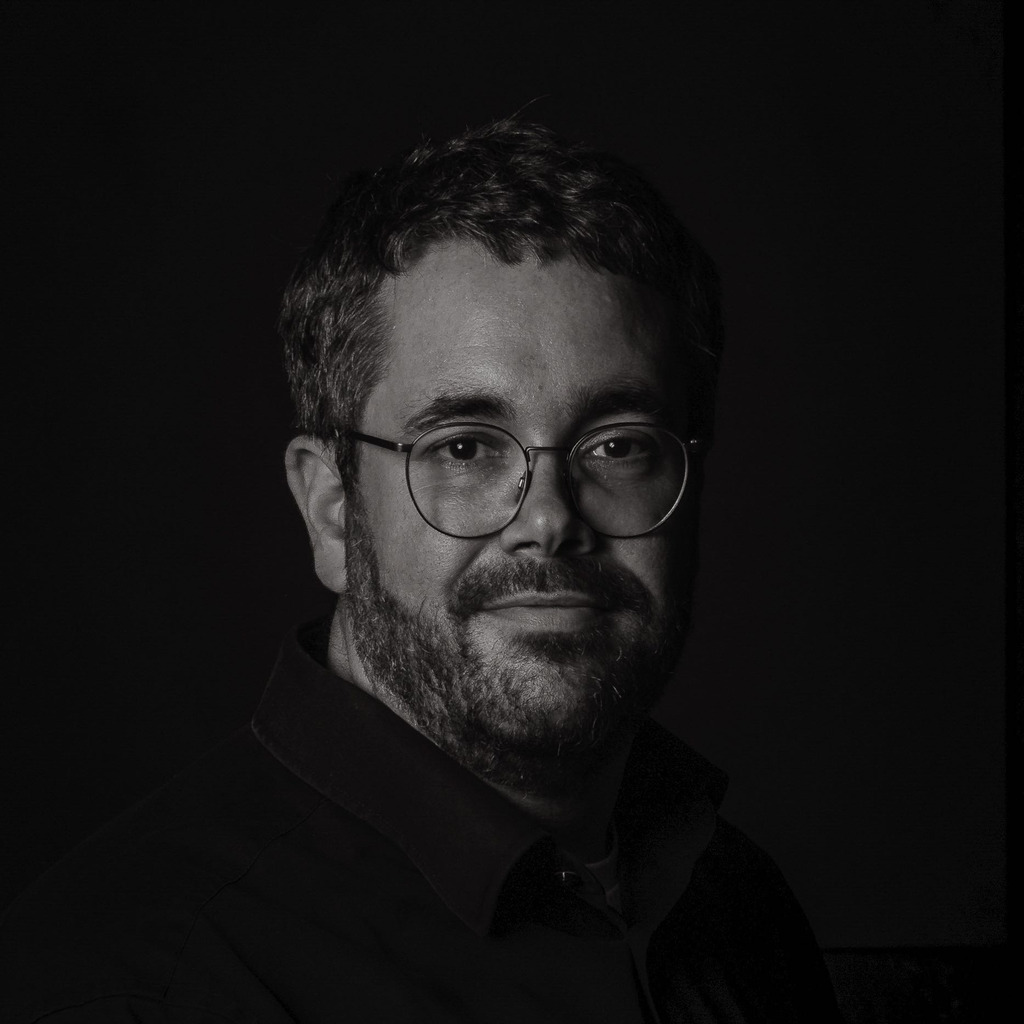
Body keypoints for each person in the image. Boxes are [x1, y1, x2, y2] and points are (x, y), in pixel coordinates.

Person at [1, 120, 840, 1023]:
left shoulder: (739, 907)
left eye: (618, 444)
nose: (549, 520)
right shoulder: (142, 988)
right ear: (332, 509)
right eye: (465, 447)